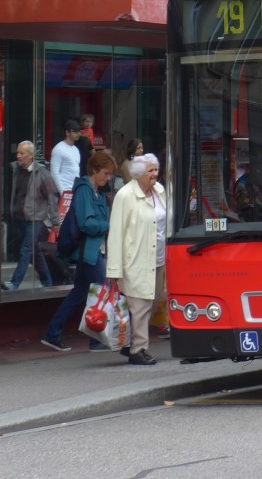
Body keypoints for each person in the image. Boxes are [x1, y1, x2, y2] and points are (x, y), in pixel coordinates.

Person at [41, 150, 116, 352]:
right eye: (105, 173)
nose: (107, 178)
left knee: (79, 293)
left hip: (89, 250)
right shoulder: (84, 190)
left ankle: (52, 333)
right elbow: (87, 223)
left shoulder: (94, 192)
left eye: (109, 175)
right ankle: (96, 339)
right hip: (89, 251)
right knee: (101, 292)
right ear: (94, 170)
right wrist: (107, 226)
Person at [106, 152, 166, 365]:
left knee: (152, 301)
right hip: (135, 260)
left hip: (158, 259)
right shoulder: (125, 195)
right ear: (138, 174)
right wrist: (114, 269)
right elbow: (116, 233)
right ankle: (138, 350)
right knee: (139, 306)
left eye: (156, 169)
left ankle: (131, 343)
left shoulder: (159, 191)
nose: (155, 174)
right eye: (150, 171)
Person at [3, 140, 61, 291]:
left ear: (31, 155)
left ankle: (15, 283)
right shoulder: (15, 170)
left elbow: (52, 198)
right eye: (18, 153)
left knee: (26, 250)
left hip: (35, 219)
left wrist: (56, 222)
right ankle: (47, 281)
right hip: (20, 218)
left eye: (22, 153)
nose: (18, 156)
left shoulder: (42, 174)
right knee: (35, 252)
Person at [50, 119, 83, 194]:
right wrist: (62, 192)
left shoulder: (76, 149)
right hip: (63, 191)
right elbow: (54, 173)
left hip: (74, 190)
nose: (79, 134)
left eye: (79, 131)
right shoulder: (58, 149)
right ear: (67, 132)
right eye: (75, 131)